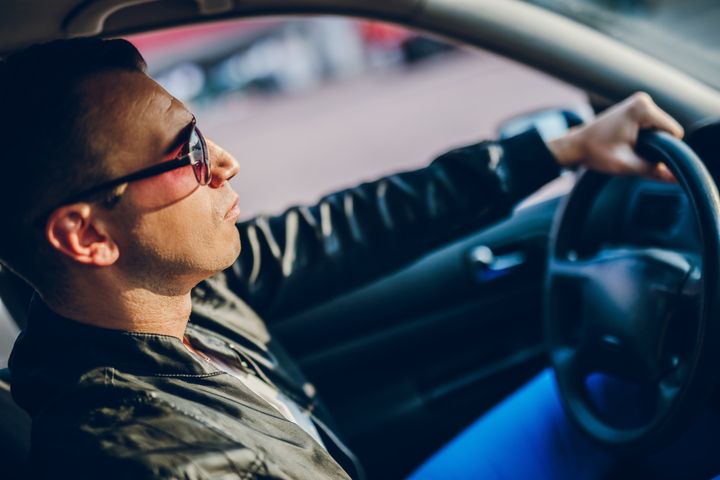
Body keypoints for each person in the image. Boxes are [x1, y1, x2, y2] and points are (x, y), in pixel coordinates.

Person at [0, 37, 688, 479]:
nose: (226, 163)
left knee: (613, 391)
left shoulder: (176, 295)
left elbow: (345, 227)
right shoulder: (159, 462)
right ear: (86, 236)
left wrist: (561, 149)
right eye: (187, 153)